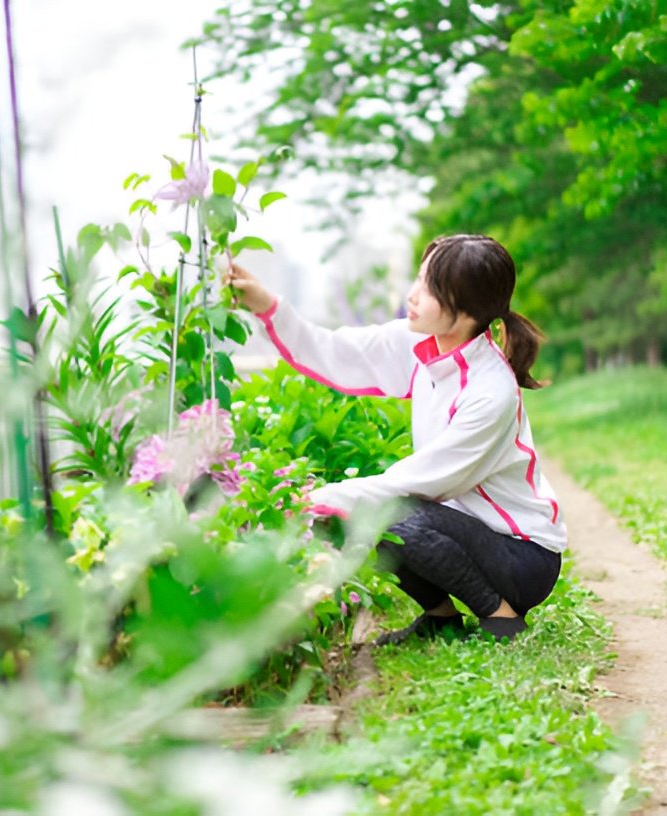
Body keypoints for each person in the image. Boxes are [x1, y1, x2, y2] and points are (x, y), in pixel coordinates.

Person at [226, 234, 565, 643]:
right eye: (419, 279)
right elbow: (334, 351)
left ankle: (502, 618)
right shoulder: (421, 344)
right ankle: (440, 620)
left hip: (522, 557)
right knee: (367, 509)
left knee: (385, 512)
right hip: (470, 533)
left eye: (430, 289)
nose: (413, 295)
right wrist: (265, 304)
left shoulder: (491, 392)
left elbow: (422, 482)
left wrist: (315, 499)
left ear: (464, 312)